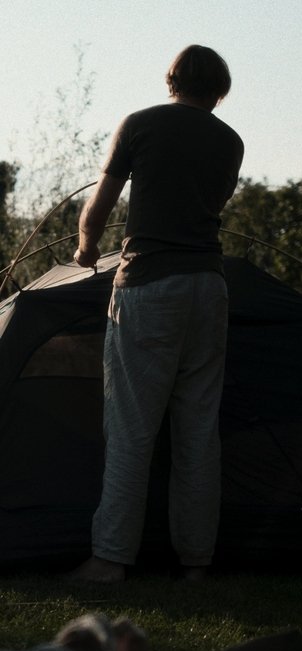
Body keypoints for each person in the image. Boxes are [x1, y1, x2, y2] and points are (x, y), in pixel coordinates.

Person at [69, 44, 244, 583]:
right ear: (219, 90)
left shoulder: (140, 124)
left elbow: (101, 203)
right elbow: (208, 206)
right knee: (197, 430)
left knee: (132, 428)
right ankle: (196, 564)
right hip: (209, 288)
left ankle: (110, 559)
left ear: (171, 79)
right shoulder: (230, 141)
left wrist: (85, 247)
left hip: (148, 284)